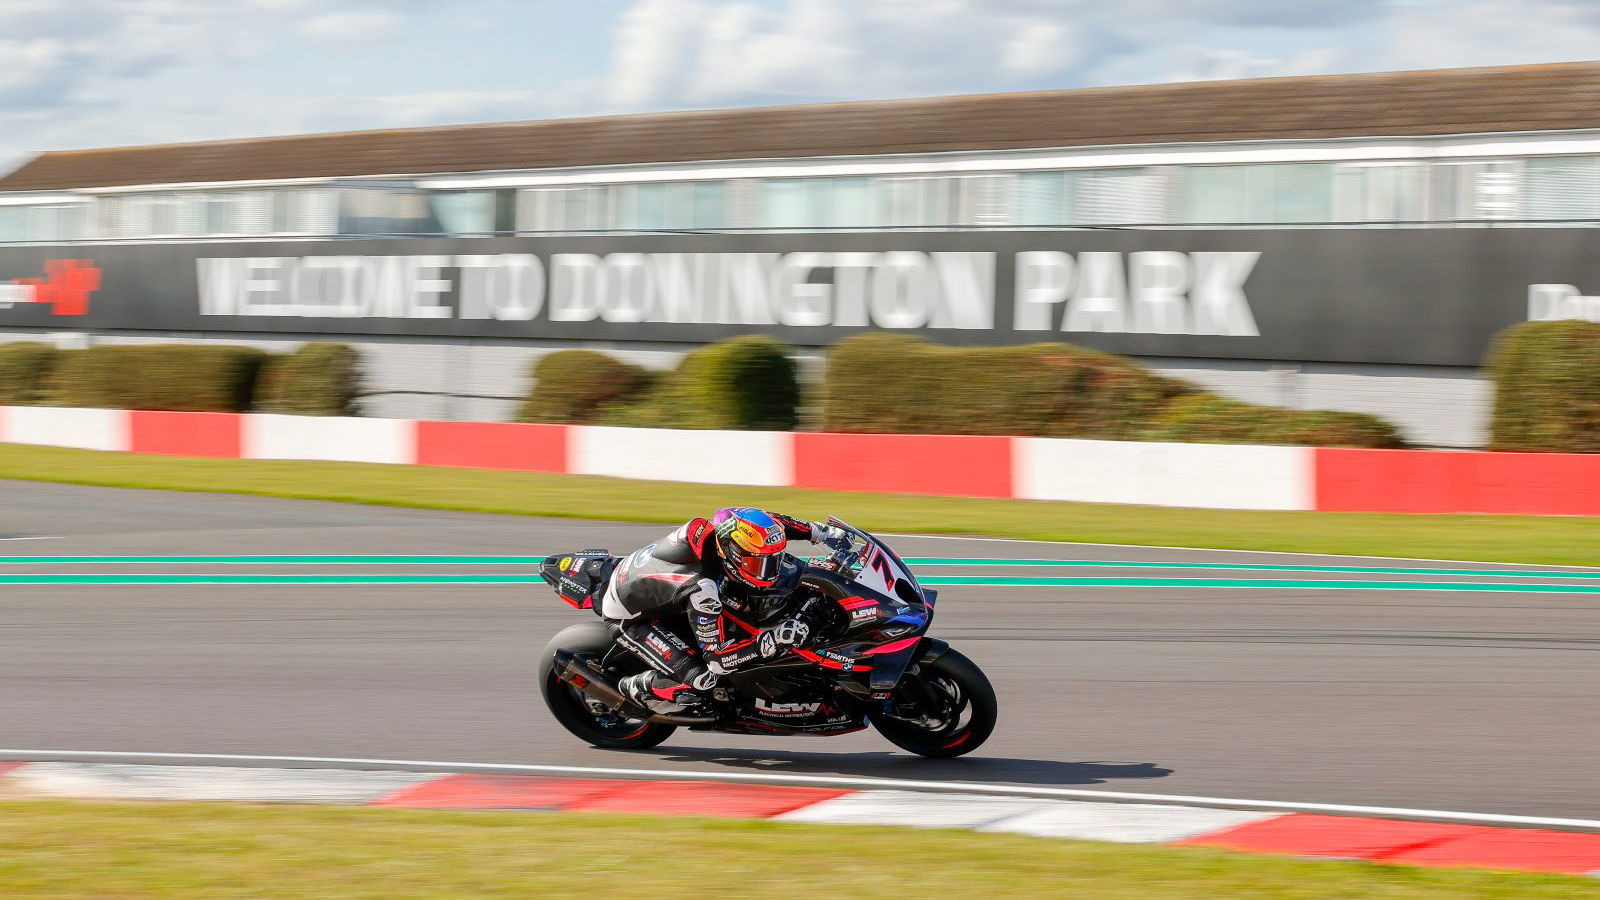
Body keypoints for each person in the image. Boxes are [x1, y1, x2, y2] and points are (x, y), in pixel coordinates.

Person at [599, 507, 849, 714]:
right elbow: (718, 659)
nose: (770, 571)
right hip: (631, 619)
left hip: (655, 589)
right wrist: (771, 639)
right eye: (758, 562)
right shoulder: (703, 590)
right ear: (732, 553)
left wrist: (821, 532)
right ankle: (637, 687)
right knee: (702, 682)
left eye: (773, 559)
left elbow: (773, 524)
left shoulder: (727, 527)